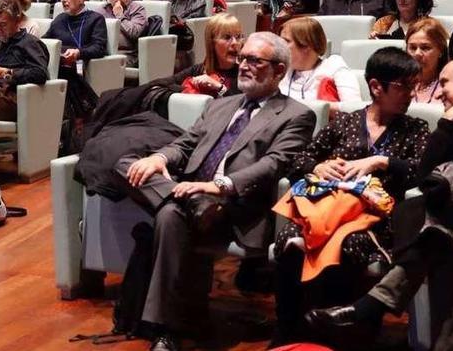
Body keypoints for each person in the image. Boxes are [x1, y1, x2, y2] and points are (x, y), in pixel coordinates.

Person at [116, 32, 316, 351]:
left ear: (279, 70)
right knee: (127, 162)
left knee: (169, 214)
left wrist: (217, 186)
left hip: (235, 203)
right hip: (192, 192)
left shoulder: (296, 114)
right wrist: (159, 158)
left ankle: (165, 330)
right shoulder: (220, 105)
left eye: (255, 60)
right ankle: (191, 204)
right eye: (243, 58)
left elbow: (273, 165)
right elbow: (185, 143)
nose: (244, 65)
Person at [306, 56, 453, 351]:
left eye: (445, 82)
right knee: (442, 245)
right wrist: (447, 125)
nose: (438, 92)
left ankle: (371, 306)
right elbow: (425, 178)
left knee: (430, 223)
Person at [271, 46, 428, 346]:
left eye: (414, 86)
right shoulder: (344, 122)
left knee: (346, 242)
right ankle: (289, 330)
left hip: (376, 220)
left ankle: (337, 331)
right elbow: (298, 160)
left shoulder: (415, 128)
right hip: (329, 209)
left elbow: (424, 172)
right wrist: (320, 166)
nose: (410, 93)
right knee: (292, 238)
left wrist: (382, 162)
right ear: (375, 87)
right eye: (402, 86)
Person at [44, 0, 108, 121]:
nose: (63, 0)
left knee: (66, 73)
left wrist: (78, 53)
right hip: (59, 64)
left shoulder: (95, 19)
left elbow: (98, 48)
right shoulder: (60, 19)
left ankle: (71, 118)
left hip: (80, 64)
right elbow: (45, 42)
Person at [0, 0, 50, 121]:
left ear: (17, 20)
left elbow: (40, 73)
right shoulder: (1, 44)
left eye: (3, 25)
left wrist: (5, 73)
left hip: (19, 101)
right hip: (0, 95)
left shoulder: (30, 43)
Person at [279, 17, 361, 109]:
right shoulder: (282, 69)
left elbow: (354, 107)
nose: (279, 46)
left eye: (286, 41)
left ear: (306, 45)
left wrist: (318, 108)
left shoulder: (334, 65)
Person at [156, 13, 242, 98]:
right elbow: (161, 84)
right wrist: (188, 90)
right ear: (212, 43)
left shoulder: (244, 73)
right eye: (227, 37)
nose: (235, 43)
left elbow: (241, 104)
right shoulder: (198, 70)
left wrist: (220, 88)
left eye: (238, 37)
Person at [97, 0, 147, 67]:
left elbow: (134, 32)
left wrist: (120, 16)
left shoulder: (137, 9)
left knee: (105, 65)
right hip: (104, 52)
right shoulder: (103, 9)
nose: (113, 1)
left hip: (127, 55)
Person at [405, 18, 449, 105]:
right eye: (413, 48)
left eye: (425, 48)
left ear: (441, 51)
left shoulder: (449, 87)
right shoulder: (398, 84)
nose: (417, 54)